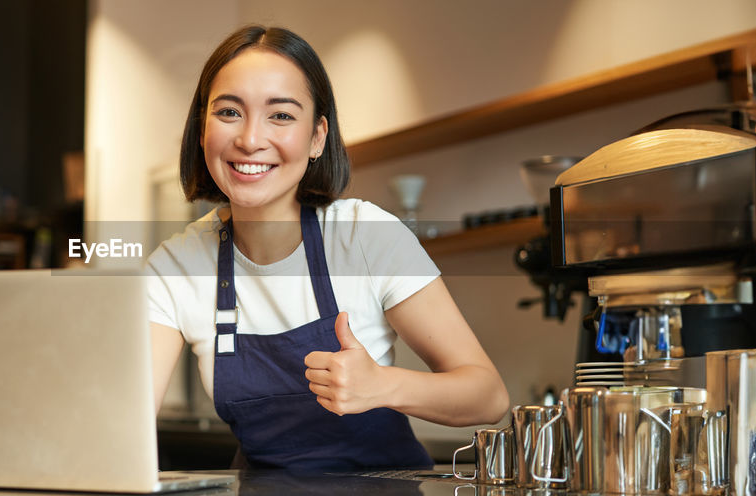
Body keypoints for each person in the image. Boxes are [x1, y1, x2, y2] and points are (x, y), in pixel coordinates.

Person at [145, 26, 508, 471]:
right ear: (202, 130)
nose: (250, 139)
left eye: (280, 115)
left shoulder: (365, 235)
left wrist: (383, 385)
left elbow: (488, 395)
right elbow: (126, 418)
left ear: (318, 137)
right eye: (228, 112)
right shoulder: (176, 266)